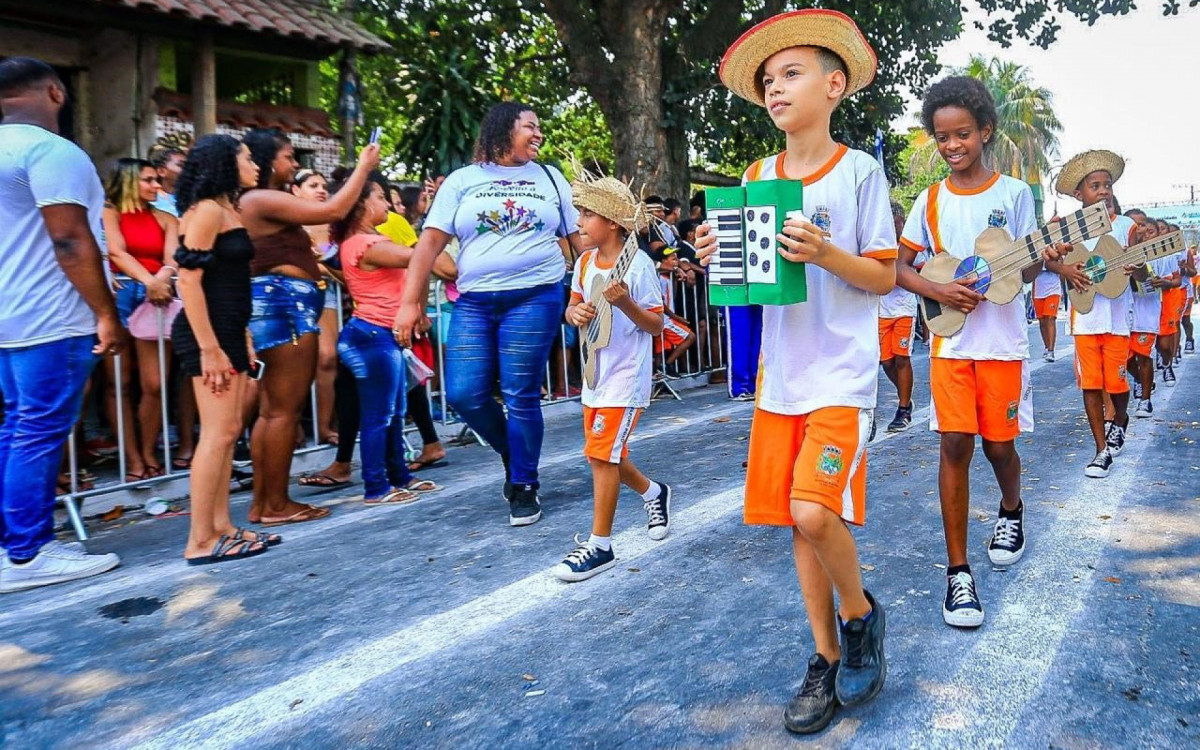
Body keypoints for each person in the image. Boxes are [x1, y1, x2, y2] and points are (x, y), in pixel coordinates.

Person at [697, 11, 892, 733]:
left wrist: (825, 253)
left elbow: (883, 275)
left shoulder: (859, 171)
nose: (775, 88)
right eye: (767, 81)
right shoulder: (755, 177)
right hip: (781, 380)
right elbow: (748, 285)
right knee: (796, 524)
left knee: (815, 510)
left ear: (834, 85)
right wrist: (717, 251)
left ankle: (860, 617)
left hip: (842, 375)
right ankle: (825, 657)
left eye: (791, 73)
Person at [896, 76, 1066, 628]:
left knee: (998, 447)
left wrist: (1044, 254)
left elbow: (1028, 270)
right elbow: (899, 266)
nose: (952, 145)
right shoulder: (929, 200)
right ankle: (958, 572)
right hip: (950, 345)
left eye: (962, 134)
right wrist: (940, 290)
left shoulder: (1012, 195)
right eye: (942, 137)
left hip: (1002, 345)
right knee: (954, 444)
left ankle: (1012, 508)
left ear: (985, 131)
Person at [393, 101, 586, 527]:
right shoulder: (462, 181)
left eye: (539, 127)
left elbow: (578, 239)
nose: (538, 134)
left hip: (535, 296)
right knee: (464, 393)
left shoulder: (550, 178)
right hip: (475, 301)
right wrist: (410, 302)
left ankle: (524, 483)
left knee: (520, 394)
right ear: (502, 129)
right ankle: (513, 453)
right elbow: (429, 245)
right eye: (530, 126)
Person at [0, 57, 125, 592]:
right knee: (38, 428)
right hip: (52, 313)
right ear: (55, 91)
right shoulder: (51, 151)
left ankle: (14, 546)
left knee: (17, 426)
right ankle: (28, 553)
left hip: (10, 314)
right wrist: (106, 312)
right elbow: (70, 239)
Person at [239, 128, 379, 527]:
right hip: (285, 307)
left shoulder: (259, 200)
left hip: (282, 305)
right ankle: (276, 504)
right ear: (268, 161)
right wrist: (364, 167)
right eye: (288, 156)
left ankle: (265, 503)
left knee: (272, 411)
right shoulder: (260, 198)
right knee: (282, 411)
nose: (294, 163)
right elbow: (333, 211)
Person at [553, 175, 670, 582]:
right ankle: (654, 492)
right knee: (602, 454)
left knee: (603, 455)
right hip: (595, 375)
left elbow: (656, 325)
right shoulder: (585, 263)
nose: (579, 222)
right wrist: (575, 314)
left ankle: (600, 545)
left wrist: (627, 304)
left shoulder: (638, 265)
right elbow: (573, 306)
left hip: (625, 376)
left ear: (613, 222)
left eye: (588, 214)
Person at [172, 134, 280, 563]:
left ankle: (222, 528)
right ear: (225, 164)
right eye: (247, 158)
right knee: (216, 436)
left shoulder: (226, 209)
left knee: (229, 431)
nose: (255, 165)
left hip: (229, 332)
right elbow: (188, 280)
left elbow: (229, 280)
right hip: (208, 335)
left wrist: (243, 335)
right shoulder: (207, 211)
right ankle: (199, 540)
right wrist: (209, 348)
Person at [332, 176, 442, 504]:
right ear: (361, 205)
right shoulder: (364, 244)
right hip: (371, 335)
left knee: (393, 412)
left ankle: (399, 477)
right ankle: (376, 486)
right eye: (380, 197)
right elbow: (418, 257)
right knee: (379, 415)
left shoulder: (370, 239)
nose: (387, 205)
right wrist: (438, 226)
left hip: (379, 335)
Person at [1045, 150, 1136, 479]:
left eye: (1107, 185)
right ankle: (1101, 450)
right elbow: (1049, 261)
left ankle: (1120, 420)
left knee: (1118, 384)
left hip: (1117, 318)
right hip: (1084, 319)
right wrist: (1066, 270)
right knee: (1091, 385)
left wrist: (1136, 266)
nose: (1103, 191)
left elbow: (1139, 268)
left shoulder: (1125, 226)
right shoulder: (1067, 228)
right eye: (1095, 186)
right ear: (1078, 193)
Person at [101, 158, 180, 481]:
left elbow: (173, 258)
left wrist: (161, 279)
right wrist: (151, 281)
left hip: (157, 296)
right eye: (148, 180)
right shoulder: (109, 212)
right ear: (129, 180)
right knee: (118, 383)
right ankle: (132, 458)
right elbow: (116, 252)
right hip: (123, 293)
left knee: (155, 383)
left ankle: (148, 451)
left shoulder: (166, 217)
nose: (156, 186)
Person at [289, 168, 339, 446]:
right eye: (313, 185)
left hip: (326, 293)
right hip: (288, 294)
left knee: (327, 356)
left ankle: (324, 427)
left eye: (323, 186)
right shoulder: (286, 220)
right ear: (295, 190)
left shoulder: (332, 224)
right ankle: (291, 423)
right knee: (290, 360)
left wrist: (321, 266)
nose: (321, 190)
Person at [878, 201, 915, 433]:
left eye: (896, 224)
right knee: (887, 361)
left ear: (902, 223)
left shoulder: (909, 247)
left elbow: (917, 270)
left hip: (904, 309)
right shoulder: (878, 243)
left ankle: (903, 408)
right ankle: (905, 394)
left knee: (902, 358)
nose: (893, 229)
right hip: (882, 310)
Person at [1127, 217, 1164, 416]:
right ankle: (1141, 380)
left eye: (1149, 230)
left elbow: (1171, 277)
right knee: (1125, 359)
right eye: (1138, 227)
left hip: (1147, 310)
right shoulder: (1122, 250)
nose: (1142, 232)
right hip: (1123, 310)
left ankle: (1145, 400)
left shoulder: (1161, 254)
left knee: (1143, 355)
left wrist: (1162, 282)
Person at [653, 247, 697, 374]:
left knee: (662, 349)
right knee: (690, 337)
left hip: (665, 319)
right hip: (665, 319)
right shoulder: (659, 278)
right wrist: (676, 317)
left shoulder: (669, 277)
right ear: (663, 261)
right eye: (673, 259)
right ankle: (666, 365)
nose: (676, 262)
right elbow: (660, 303)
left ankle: (661, 371)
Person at [1155, 218, 1185, 384]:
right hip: (1146, 302)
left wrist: (1168, 283)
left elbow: (1178, 279)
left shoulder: (1171, 254)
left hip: (1167, 299)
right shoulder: (1139, 253)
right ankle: (1141, 381)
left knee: (1165, 344)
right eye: (1156, 230)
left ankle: (1167, 364)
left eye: (1162, 229)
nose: (1159, 233)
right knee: (1143, 345)